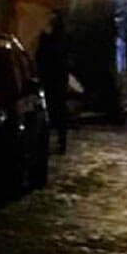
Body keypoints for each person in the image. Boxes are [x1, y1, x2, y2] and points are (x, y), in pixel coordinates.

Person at [35, 9, 70, 154]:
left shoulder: (53, 39)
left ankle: (57, 141)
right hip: (54, 80)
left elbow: (41, 58)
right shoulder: (60, 39)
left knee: (53, 112)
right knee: (55, 112)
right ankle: (58, 141)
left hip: (53, 80)